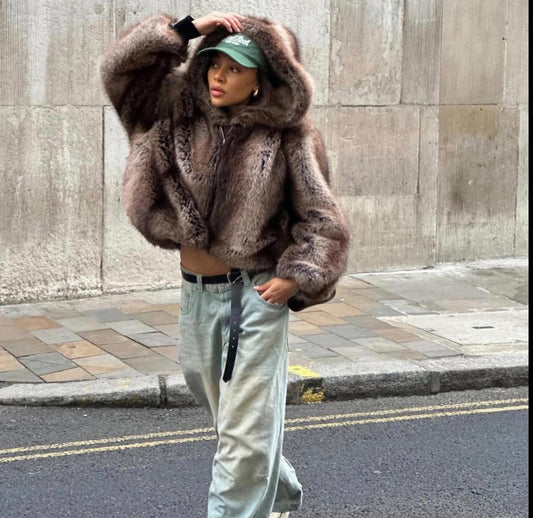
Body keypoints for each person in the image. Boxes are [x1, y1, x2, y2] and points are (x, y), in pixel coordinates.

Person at [99, 10, 350, 518]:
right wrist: (188, 29)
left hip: (253, 295)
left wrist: (296, 277)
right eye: (214, 63)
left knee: (242, 434)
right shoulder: (169, 111)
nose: (219, 75)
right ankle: (279, 492)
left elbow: (323, 221)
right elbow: (118, 69)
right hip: (196, 296)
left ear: (261, 79)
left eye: (235, 68)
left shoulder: (290, 137)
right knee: (235, 423)